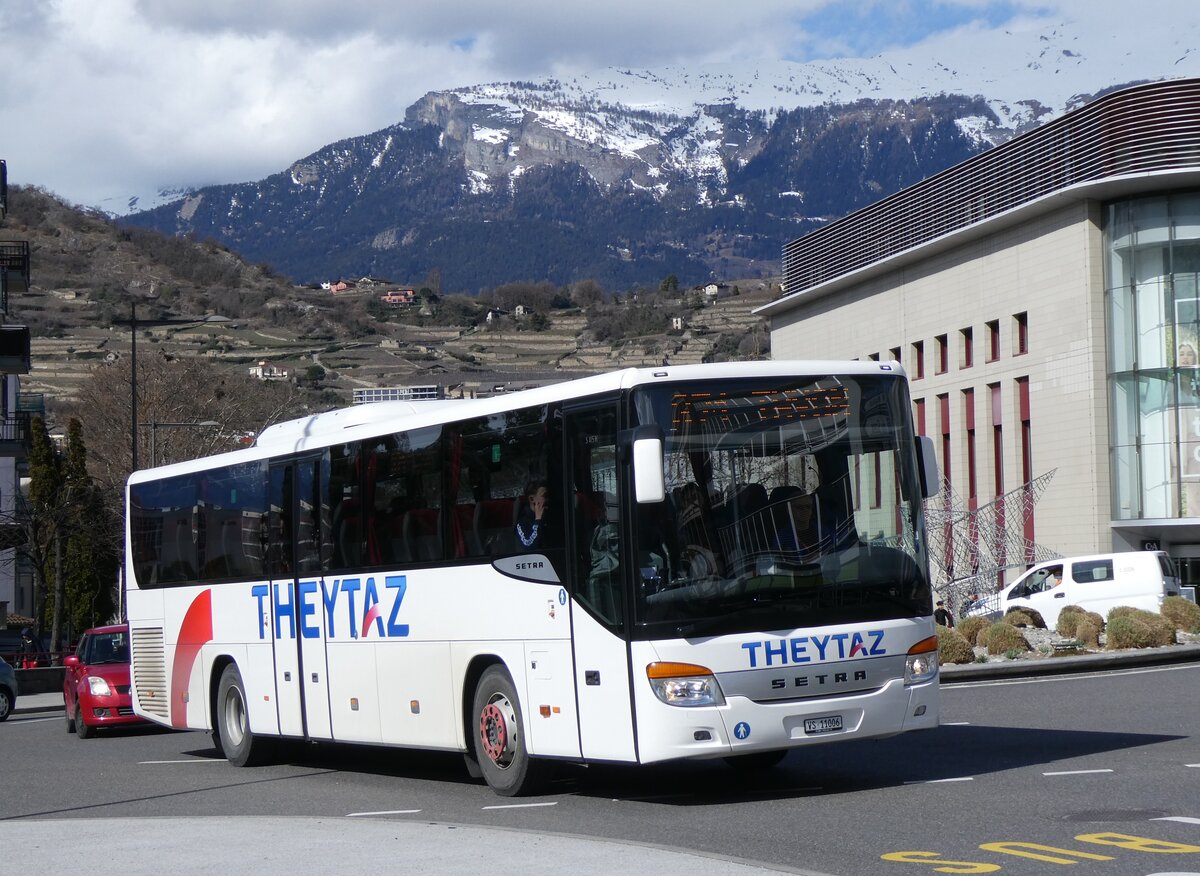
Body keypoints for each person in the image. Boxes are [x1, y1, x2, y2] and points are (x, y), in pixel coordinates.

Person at [514, 480, 551, 552]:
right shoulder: (522, 523)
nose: (547, 500)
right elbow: (529, 546)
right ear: (531, 499)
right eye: (545, 496)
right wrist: (538, 521)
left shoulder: (551, 518)